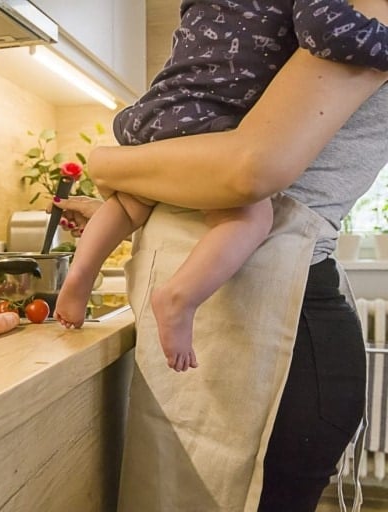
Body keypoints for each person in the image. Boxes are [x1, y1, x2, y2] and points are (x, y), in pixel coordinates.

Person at [51, 49, 387, 512]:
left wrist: (107, 162)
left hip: (277, 338)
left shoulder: (356, 24)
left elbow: (246, 171)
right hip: (243, 327)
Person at [52, 0, 388, 374]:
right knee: (250, 218)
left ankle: (81, 272)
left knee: (128, 204)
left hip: (158, 110)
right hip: (210, 118)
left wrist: (106, 164)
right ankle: (179, 298)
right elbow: (324, 31)